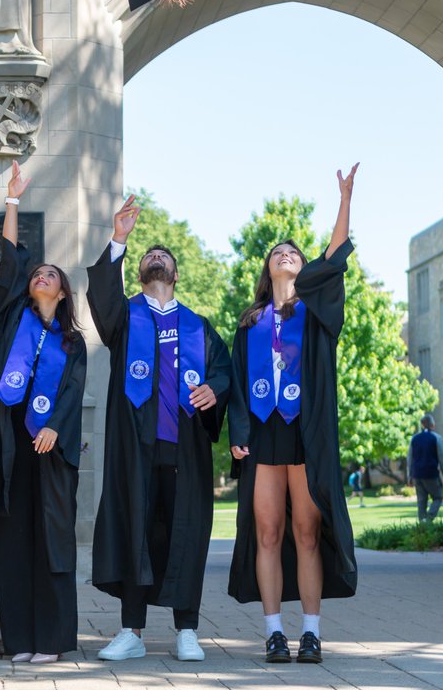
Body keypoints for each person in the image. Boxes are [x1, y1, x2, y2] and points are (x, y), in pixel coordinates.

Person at [87, 195, 231, 663]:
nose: (156, 258)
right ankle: (132, 631)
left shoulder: (199, 327)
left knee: (185, 534)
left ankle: (187, 629)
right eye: (149, 256)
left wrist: (213, 388)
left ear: (175, 275)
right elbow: (102, 302)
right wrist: (120, 240)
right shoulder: (125, 318)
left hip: (183, 449)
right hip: (136, 448)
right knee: (137, 532)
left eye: (163, 257)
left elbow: (224, 372)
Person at [227, 164, 361, 666]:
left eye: (294, 253)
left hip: (305, 434)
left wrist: (344, 201)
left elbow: (334, 258)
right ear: (268, 269)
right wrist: (238, 431)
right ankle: (272, 632)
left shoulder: (318, 313)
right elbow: (238, 385)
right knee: (267, 533)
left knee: (306, 532)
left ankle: (310, 631)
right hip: (263, 435)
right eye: (278, 253)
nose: (286, 254)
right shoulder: (249, 321)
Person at [0, 161, 86, 664]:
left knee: (51, 545)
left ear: (62, 291)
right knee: (14, 544)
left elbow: (72, 392)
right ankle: (19, 641)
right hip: (11, 446)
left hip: (49, 450)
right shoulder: (11, 321)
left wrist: (55, 427)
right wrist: (12, 200)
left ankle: (54, 639)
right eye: (37, 273)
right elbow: (7, 260)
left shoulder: (72, 342)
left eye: (50, 274)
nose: (41, 275)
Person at [408, 414, 443, 522]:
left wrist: (409, 476)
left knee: (421, 501)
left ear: (422, 425)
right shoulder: (436, 438)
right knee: (438, 497)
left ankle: (422, 524)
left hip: (417, 475)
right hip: (431, 474)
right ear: (432, 425)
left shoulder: (414, 439)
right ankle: (429, 519)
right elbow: (442, 459)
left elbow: (410, 459)